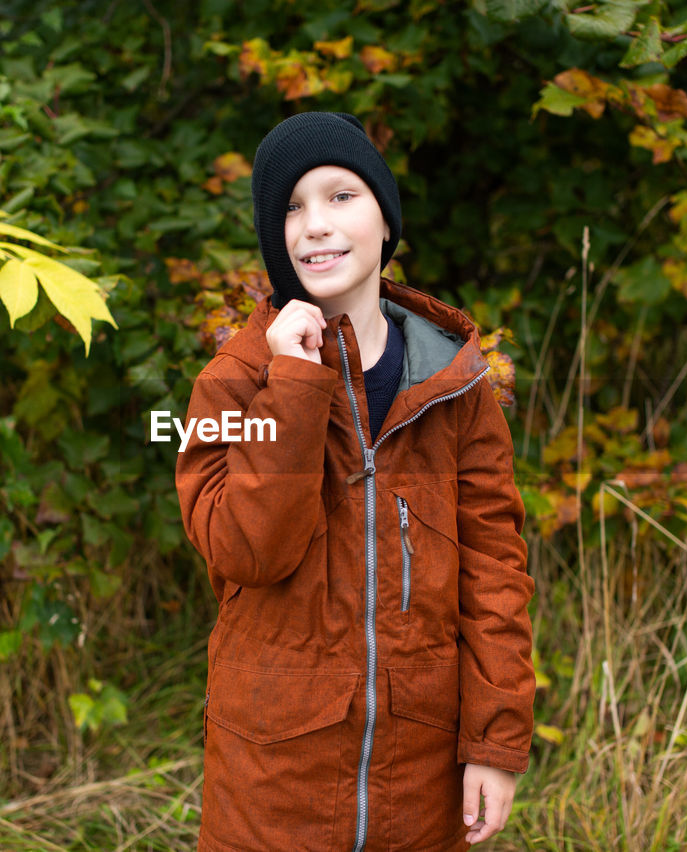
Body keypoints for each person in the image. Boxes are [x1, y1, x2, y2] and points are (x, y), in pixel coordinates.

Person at [175, 111, 536, 852]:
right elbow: (249, 552)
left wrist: (495, 745)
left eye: (341, 196)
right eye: (291, 207)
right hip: (273, 786)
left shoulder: (453, 386)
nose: (315, 225)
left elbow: (495, 571)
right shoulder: (230, 385)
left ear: (384, 216)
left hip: (420, 778)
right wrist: (295, 387)